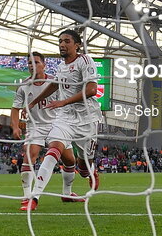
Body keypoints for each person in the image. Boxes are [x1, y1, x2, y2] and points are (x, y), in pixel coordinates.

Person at [22, 29, 100, 211]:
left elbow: (91, 90)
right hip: (64, 118)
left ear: (77, 44)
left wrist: (62, 101)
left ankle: (90, 170)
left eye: (67, 41)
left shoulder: (85, 61)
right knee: (54, 149)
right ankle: (34, 198)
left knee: (83, 165)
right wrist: (33, 103)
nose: (62, 45)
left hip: (87, 119)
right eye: (60, 42)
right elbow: (55, 84)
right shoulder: (61, 66)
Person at [11, 52, 61, 209]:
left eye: (36, 62)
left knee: (70, 160)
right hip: (35, 125)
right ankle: (27, 196)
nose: (32, 66)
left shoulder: (54, 82)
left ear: (44, 65)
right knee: (29, 155)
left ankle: (68, 191)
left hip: (56, 124)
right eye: (30, 63)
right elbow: (15, 108)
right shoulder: (24, 86)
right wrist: (15, 126)